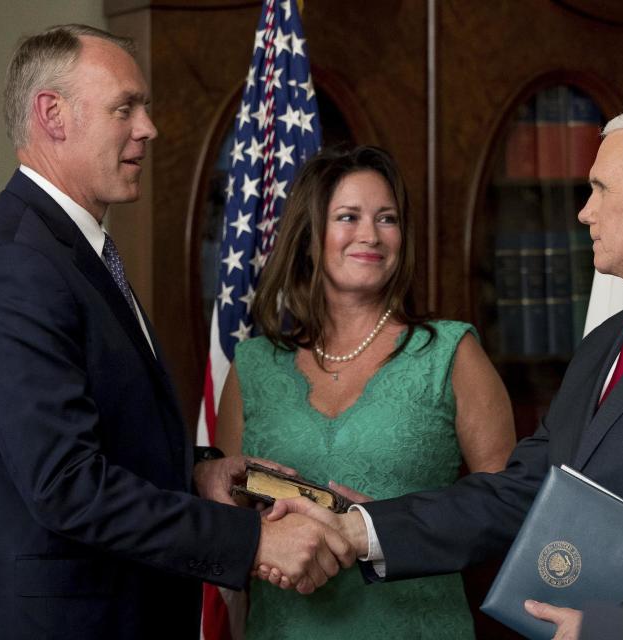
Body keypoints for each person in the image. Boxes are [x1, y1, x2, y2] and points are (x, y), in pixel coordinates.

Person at [264, 107, 623, 639]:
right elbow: (522, 492)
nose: (585, 210)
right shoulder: (606, 344)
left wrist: (617, 626)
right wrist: (358, 527)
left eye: (600, 189)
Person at [0, 24, 352, 639]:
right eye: (125, 107)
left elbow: (109, 437)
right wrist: (253, 540)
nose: (149, 128)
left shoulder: (69, 251)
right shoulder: (14, 266)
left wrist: (200, 473)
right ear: (52, 114)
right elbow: (68, 485)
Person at [214, 145, 516, 639]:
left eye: (387, 219)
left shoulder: (450, 353)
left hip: (416, 626)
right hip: (285, 626)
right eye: (348, 217)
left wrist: (387, 528)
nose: (370, 235)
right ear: (310, 237)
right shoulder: (253, 365)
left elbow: (503, 504)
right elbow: (229, 513)